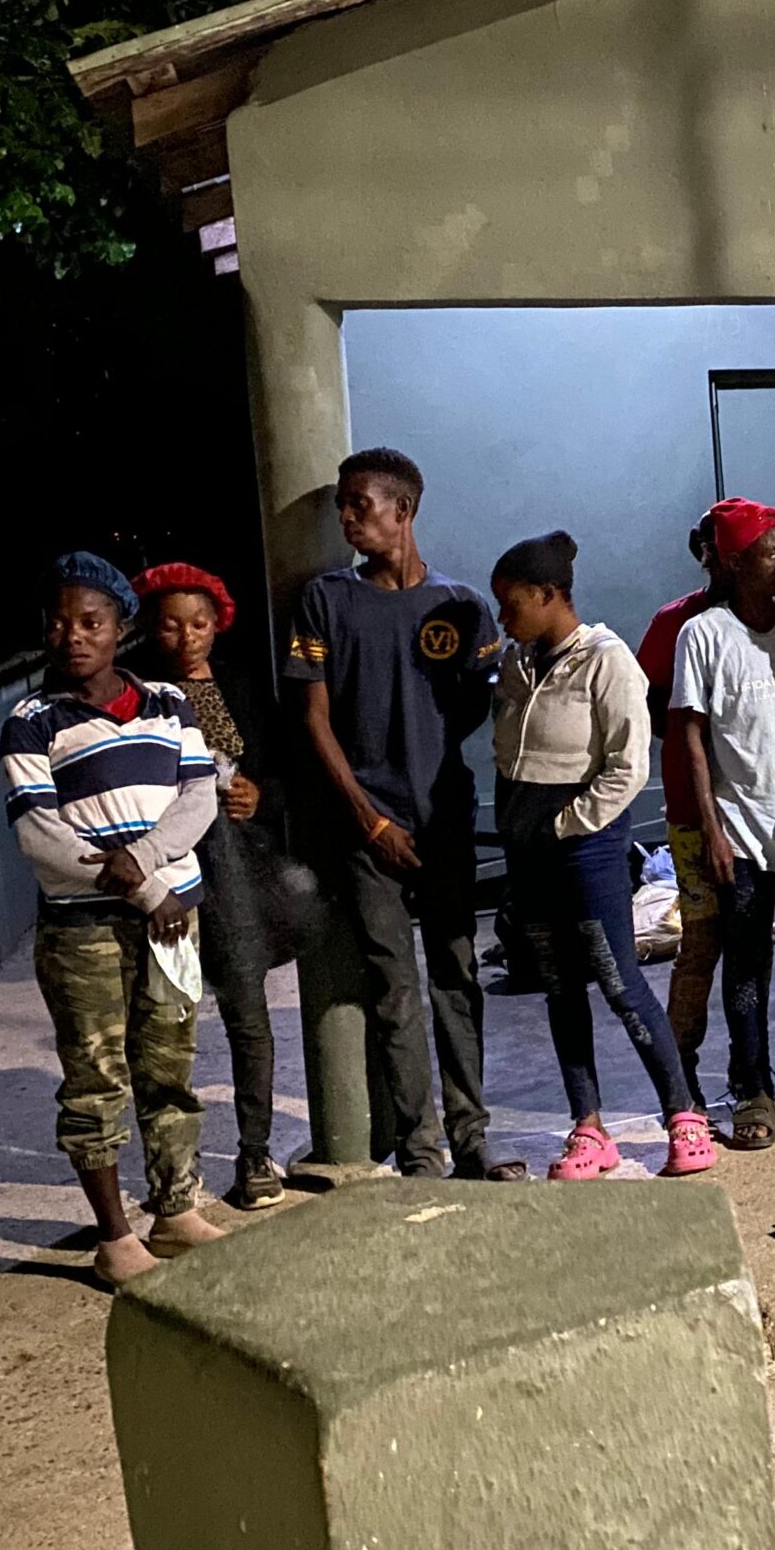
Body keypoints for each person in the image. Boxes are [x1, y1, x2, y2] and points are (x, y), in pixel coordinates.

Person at [1, 553, 227, 1284]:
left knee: (170, 1068)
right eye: (59, 622)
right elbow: (42, 837)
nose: (73, 635)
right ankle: (114, 1236)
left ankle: (177, 1208)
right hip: (86, 930)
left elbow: (200, 796)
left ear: (121, 628)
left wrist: (148, 863)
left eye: (91, 622)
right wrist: (147, 891)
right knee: (97, 1079)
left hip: (173, 919)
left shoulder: (168, 702)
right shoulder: (32, 722)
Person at [285, 447, 511, 1179]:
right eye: (342, 505)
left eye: (360, 504)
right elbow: (313, 719)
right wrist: (370, 818)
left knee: (457, 977)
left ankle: (472, 1137)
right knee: (393, 990)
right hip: (367, 831)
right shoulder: (326, 600)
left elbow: (478, 704)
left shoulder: (461, 606)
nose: (347, 518)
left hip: (444, 823)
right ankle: (421, 1148)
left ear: (403, 510)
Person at [491, 531, 715, 1178]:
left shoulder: (607, 661)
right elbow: (508, 755)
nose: (503, 618)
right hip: (530, 852)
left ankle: (684, 1116)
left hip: (584, 848)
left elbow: (627, 768)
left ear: (548, 595)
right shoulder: (518, 664)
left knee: (619, 981)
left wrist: (566, 824)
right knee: (560, 988)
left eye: (511, 604)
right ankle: (588, 1129)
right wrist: (520, 829)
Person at [672, 499, 775, 1149]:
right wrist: (712, 828)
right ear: (738, 563)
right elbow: (690, 736)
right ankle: (752, 1089)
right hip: (741, 830)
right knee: (747, 965)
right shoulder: (704, 635)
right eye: (774, 552)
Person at [135, 562, 289, 1210]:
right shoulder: (137, 692)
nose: (187, 636)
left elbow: (280, 765)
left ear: (218, 624)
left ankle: (255, 1154)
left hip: (235, 875)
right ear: (151, 628)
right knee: (166, 1030)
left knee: (248, 1018)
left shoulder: (241, 685)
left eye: (199, 623)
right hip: (164, 877)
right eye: (172, 625)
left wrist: (262, 794)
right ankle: (175, 1173)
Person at [637, 512, 730, 1103]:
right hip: (695, 812)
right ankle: (680, 1074)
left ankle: (752, 1074)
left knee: (750, 947)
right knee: (699, 942)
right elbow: (649, 703)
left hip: (760, 811)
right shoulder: (673, 622)